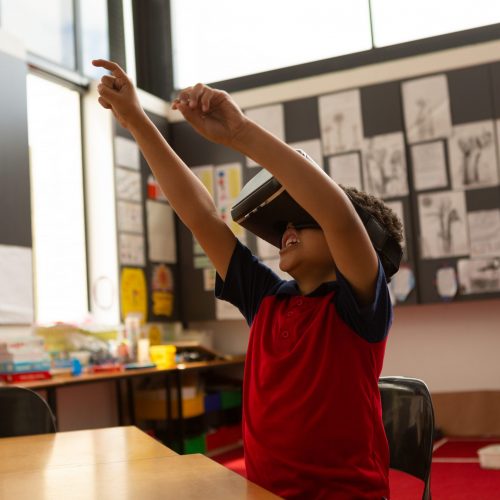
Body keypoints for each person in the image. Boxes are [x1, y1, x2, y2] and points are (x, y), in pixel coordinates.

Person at [92, 59, 403, 500]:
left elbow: (339, 217)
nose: (287, 231)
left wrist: (240, 134)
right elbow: (200, 215)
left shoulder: (359, 307)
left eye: (302, 221)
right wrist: (138, 121)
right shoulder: (267, 298)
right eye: (284, 226)